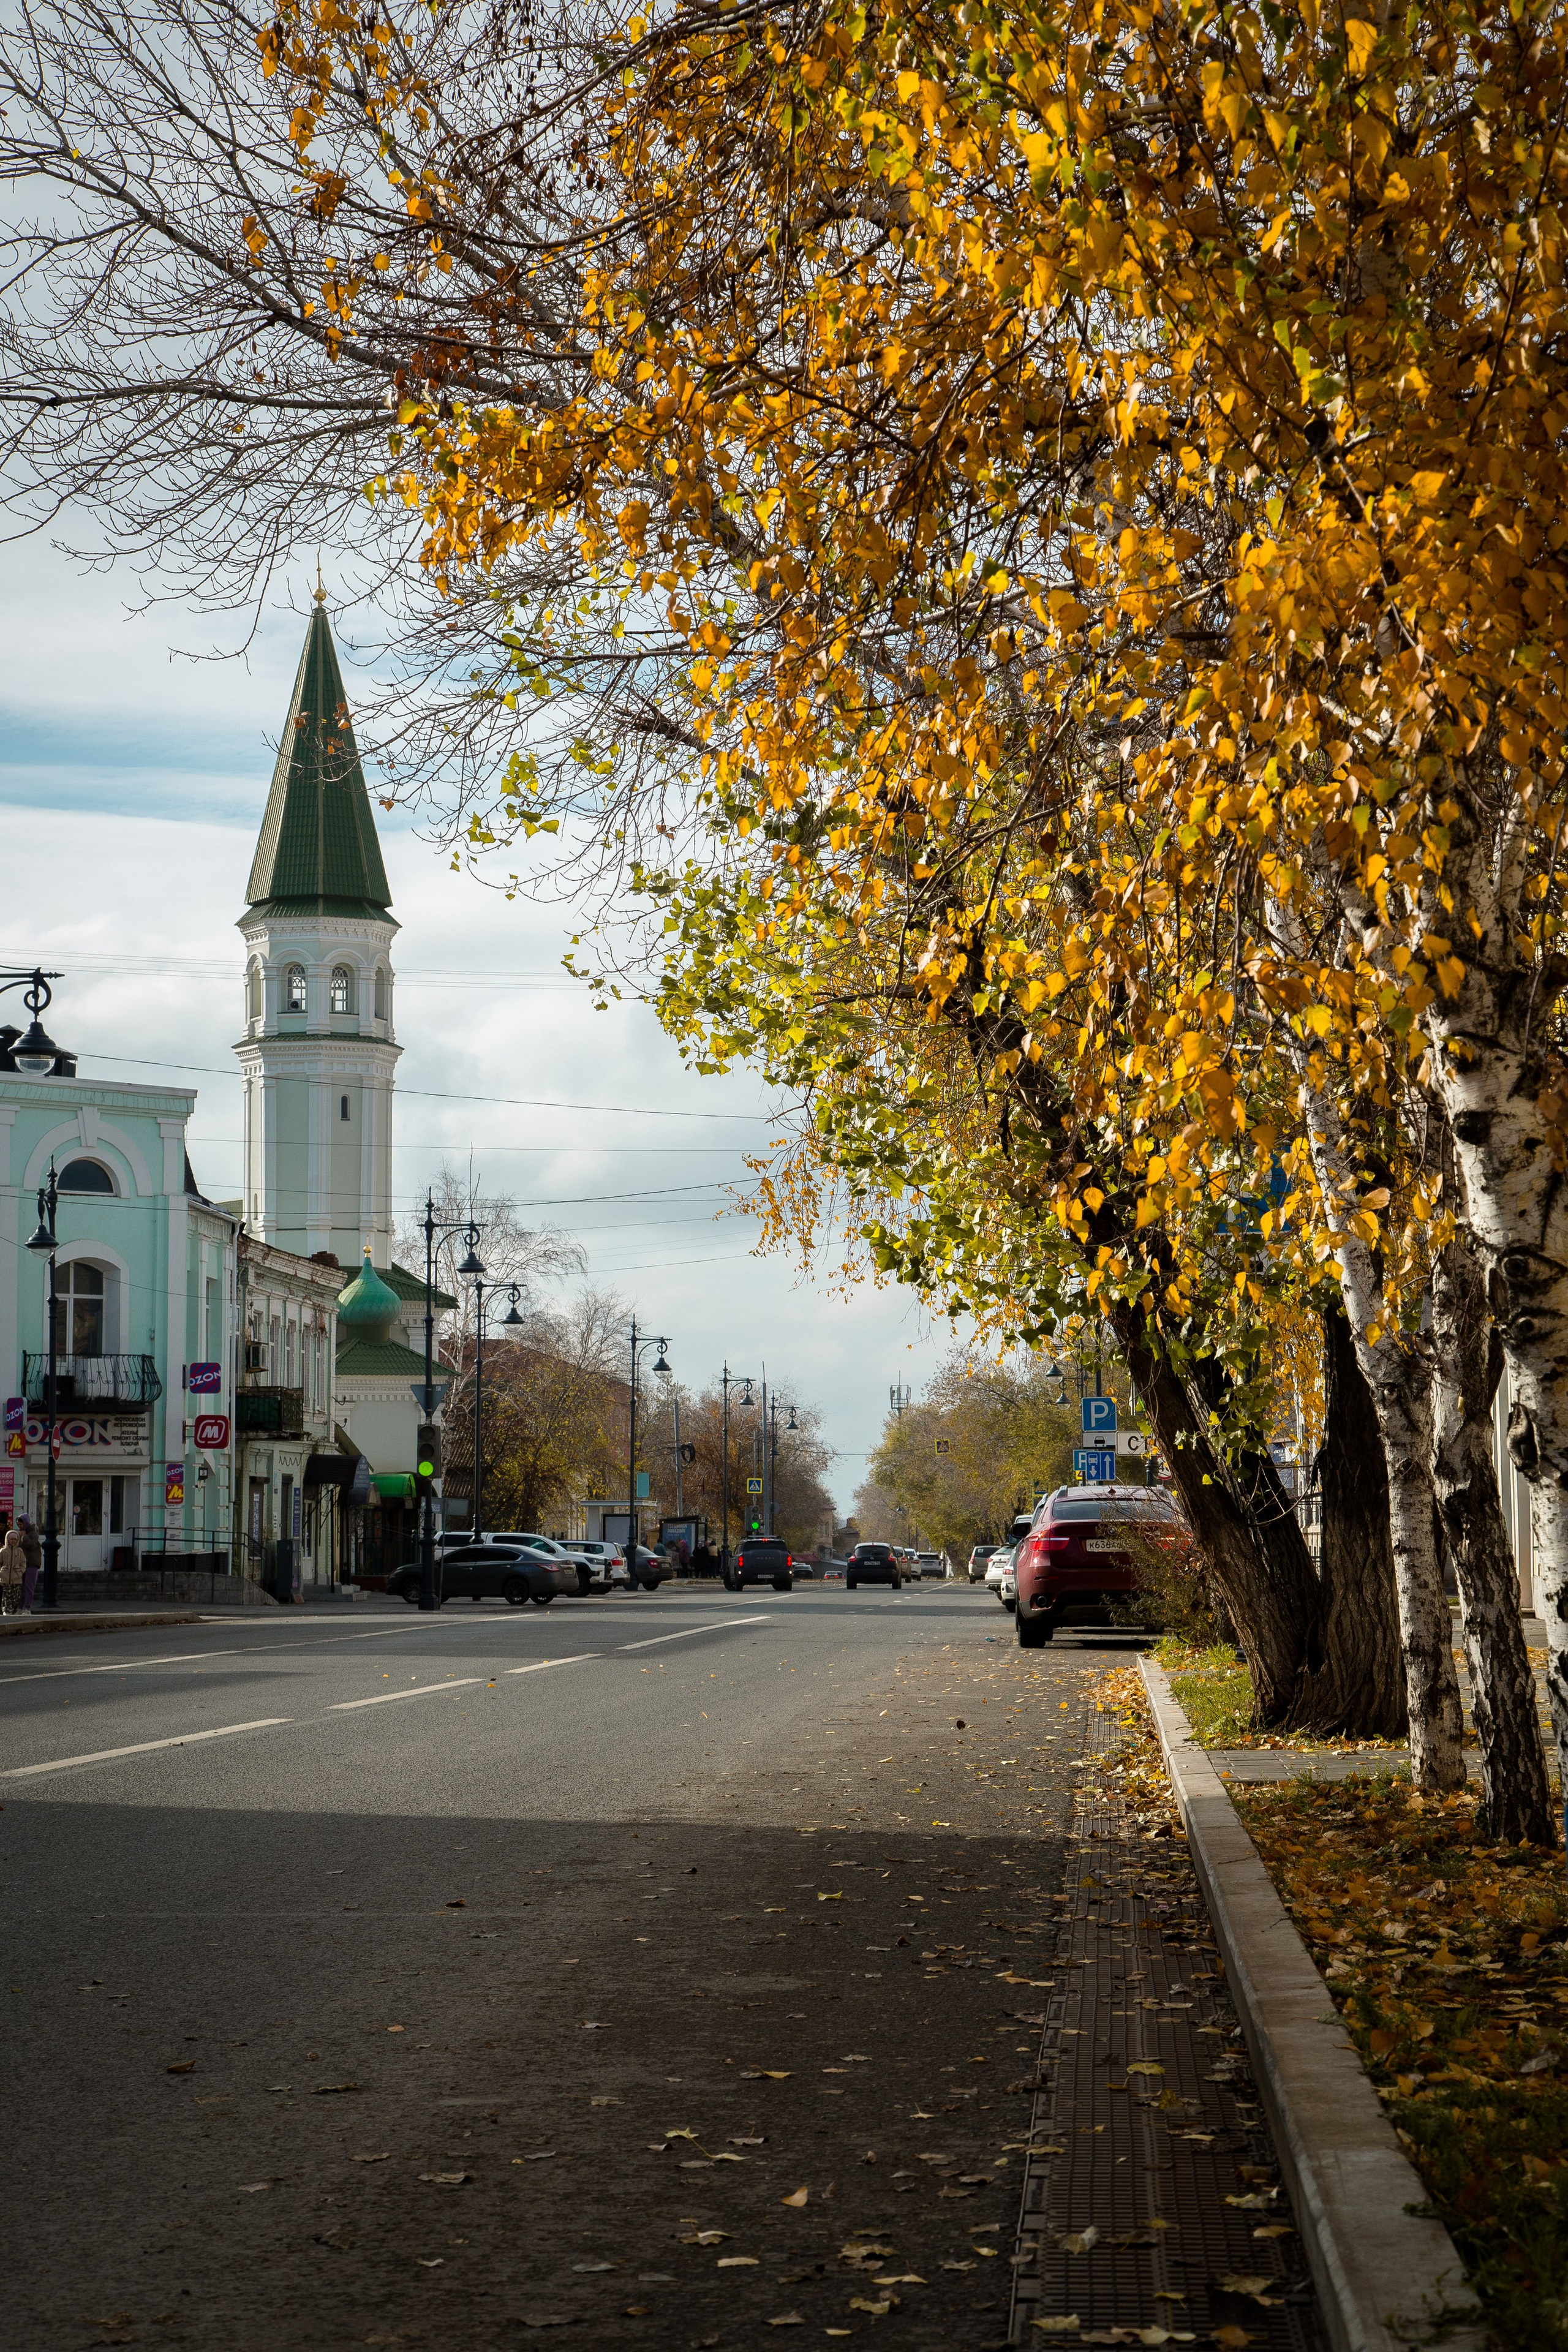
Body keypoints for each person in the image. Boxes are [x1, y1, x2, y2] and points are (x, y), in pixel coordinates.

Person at [17, 1514, 42, 1613]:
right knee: (22, 1586)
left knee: (29, 1586)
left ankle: (27, 1608)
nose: (20, 1526)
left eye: (22, 1524)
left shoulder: (33, 1533)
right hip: (23, 1563)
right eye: (19, 1524)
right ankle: (20, 1607)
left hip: (32, 1563)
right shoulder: (21, 1533)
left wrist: (24, 1536)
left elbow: (32, 1546)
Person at [0, 1517, 24, 1614]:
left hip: (16, 1578)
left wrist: (21, 1571)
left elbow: (23, 1563)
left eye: (15, 1539)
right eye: (11, 1539)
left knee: (16, 1596)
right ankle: (6, 1610)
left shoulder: (19, 1552)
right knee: (6, 1595)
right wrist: (1, 1572)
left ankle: (13, 1610)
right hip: (5, 1577)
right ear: (8, 1540)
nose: (13, 1541)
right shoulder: (3, 1551)